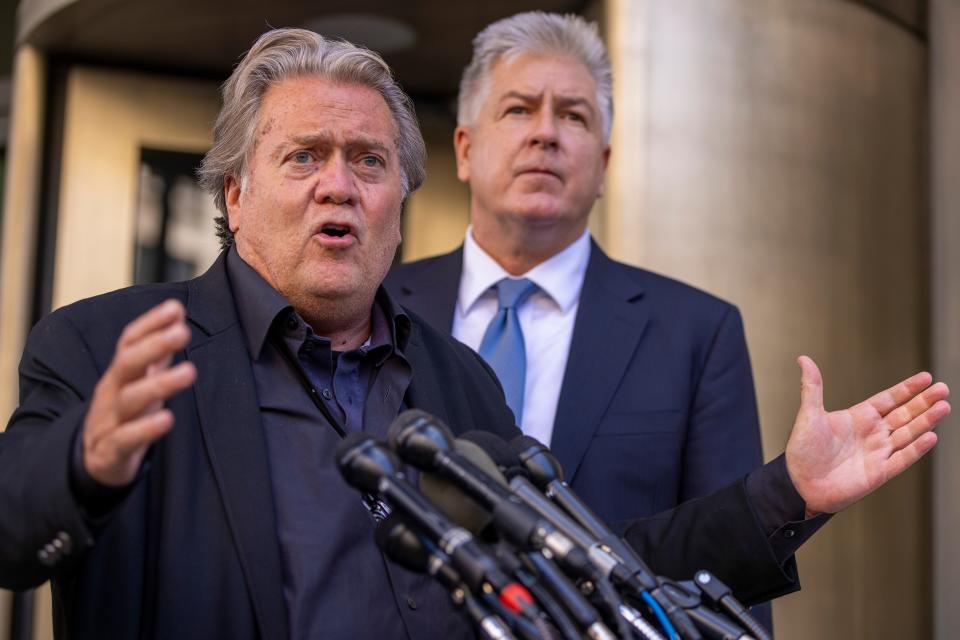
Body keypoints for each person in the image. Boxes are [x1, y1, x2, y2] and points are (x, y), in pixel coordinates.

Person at [0, 27, 949, 640]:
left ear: (403, 200)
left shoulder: (456, 383)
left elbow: (589, 563)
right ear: (235, 194)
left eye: (369, 161)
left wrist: (788, 491)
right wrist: (83, 466)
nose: (340, 184)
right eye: (304, 158)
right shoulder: (104, 349)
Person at [385, 12, 763, 527]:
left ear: (604, 165)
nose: (545, 133)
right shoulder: (379, 306)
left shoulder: (696, 335)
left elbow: (731, 546)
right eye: (519, 109)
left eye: (573, 116)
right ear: (466, 150)